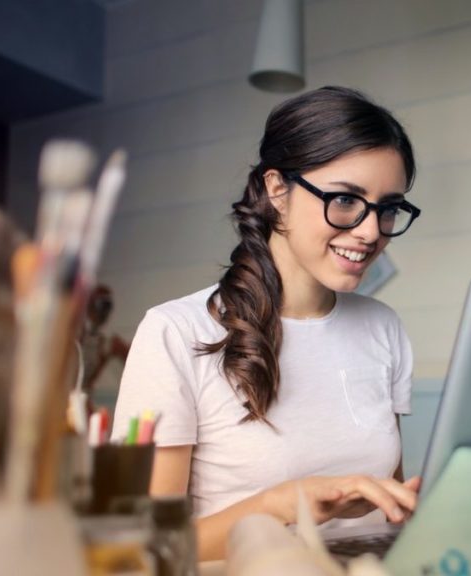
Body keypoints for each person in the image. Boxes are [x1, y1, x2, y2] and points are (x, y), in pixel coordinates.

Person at [111, 86, 422, 560]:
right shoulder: (175, 332)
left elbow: (391, 503)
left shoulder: (383, 327)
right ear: (277, 189)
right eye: (345, 200)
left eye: (388, 208)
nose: (371, 231)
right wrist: (281, 505)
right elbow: (144, 549)